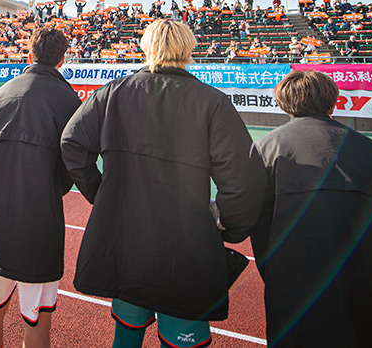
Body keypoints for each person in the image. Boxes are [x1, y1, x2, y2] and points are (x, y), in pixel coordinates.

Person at [61, 19, 265, 348]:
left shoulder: (113, 92)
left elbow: (72, 143)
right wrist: (229, 227)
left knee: (126, 335)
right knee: (181, 340)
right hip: (187, 248)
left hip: (126, 242)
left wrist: (102, 195)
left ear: (146, 47)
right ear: (188, 49)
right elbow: (242, 180)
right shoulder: (212, 101)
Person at [250, 70, 372, 347]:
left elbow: (252, 218)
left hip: (300, 285)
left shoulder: (266, 148)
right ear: (333, 102)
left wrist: (274, 272)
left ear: (284, 104)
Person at [0, 27, 81, 348]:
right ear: (62, 59)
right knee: (36, 321)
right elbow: (73, 164)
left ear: (29, 53)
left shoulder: (6, 90)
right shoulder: (69, 98)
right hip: (39, 222)